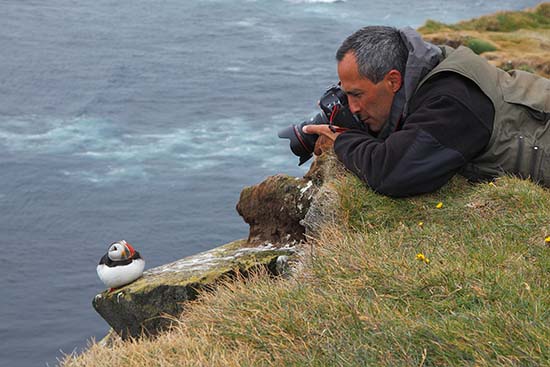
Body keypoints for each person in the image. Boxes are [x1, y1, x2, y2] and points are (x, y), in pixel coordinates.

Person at [302, 26, 550, 197]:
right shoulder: (429, 69)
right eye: (347, 96)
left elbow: (393, 173)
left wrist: (342, 141)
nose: (353, 108)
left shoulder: (451, 100)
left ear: (393, 81)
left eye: (357, 95)